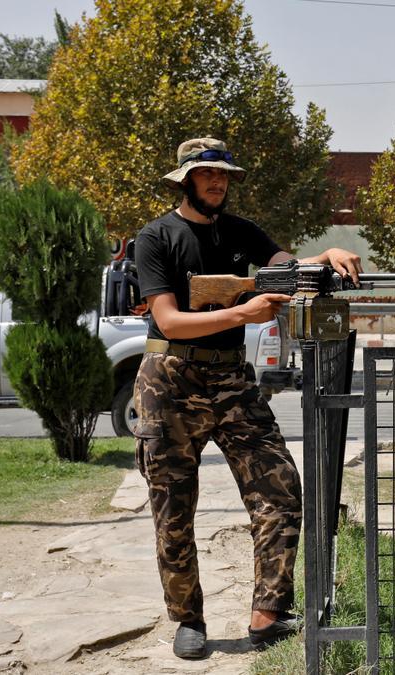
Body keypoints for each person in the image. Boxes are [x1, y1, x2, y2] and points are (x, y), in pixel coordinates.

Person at [133, 137, 362, 659]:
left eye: (224, 175)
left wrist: (326, 253)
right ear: (186, 178)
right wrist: (242, 313)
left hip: (233, 379)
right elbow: (167, 319)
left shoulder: (243, 232)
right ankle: (188, 620)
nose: (218, 182)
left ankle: (268, 614)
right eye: (207, 174)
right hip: (169, 380)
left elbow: (289, 264)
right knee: (173, 507)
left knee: (280, 490)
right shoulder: (156, 238)